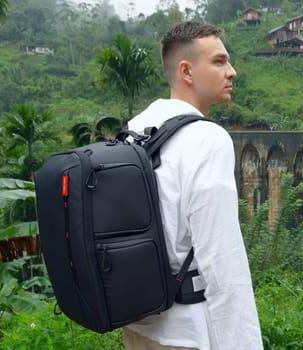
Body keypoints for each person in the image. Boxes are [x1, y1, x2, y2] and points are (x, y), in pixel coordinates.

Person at [124, 21, 263, 350]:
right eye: (219, 61)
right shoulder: (208, 138)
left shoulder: (136, 127)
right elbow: (222, 261)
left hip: (139, 324)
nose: (232, 72)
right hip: (188, 334)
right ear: (186, 71)